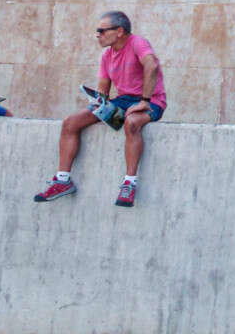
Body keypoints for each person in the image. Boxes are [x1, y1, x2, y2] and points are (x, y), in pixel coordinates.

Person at [33, 10, 166, 208]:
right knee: (71, 122)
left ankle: (129, 184)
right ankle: (62, 180)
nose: (98, 35)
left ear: (119, 31)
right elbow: (103, 89)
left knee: (131, 123)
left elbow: (152, 66)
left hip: (151, 101)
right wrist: (99, 102)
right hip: (122, 101)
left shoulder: (138, 43)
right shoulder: (107, 56)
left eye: (102, 31)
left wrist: (144, 101)